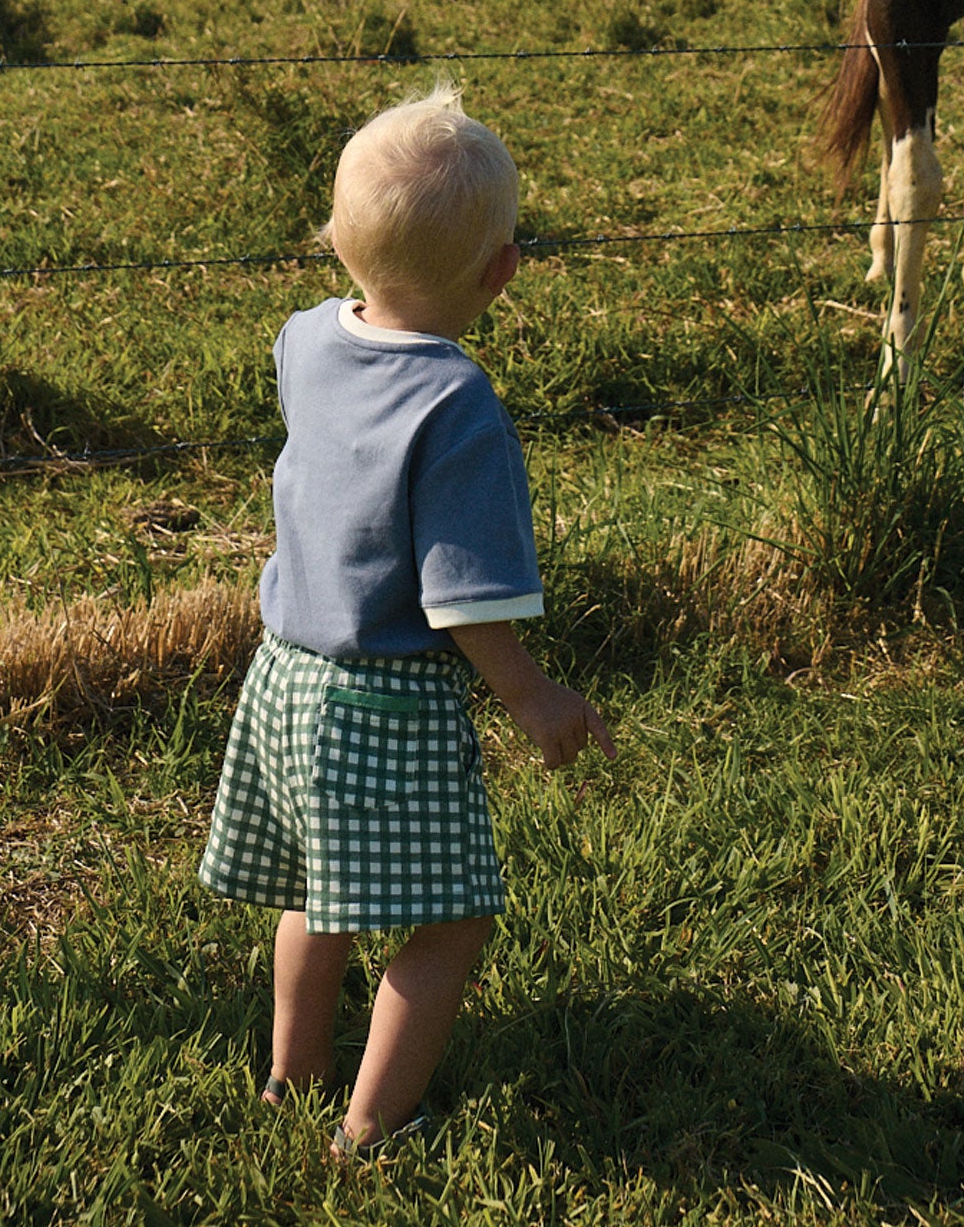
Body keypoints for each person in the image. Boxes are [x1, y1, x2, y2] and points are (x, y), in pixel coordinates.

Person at [198, 81, 616, 1160]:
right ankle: (374, 1127)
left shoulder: (303, 340)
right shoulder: (456, 406)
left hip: (284, 669)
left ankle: (290, 1080)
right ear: (500, 271)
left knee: (313, 892)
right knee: (452, 916)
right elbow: (463, 594)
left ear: (336, 241)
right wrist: (533, 695)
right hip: (385, 697)